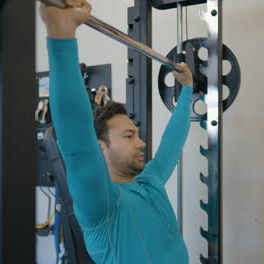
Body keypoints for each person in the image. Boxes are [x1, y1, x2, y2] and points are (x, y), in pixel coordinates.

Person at [40, 1, 194, 263]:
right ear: (101, 147)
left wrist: (187, 88)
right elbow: (76, 141)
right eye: (129, 136)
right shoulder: (102, 205)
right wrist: (61, 33)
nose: (142, 142)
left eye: (137, 134)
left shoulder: (150, 181)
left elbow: (173, 140)